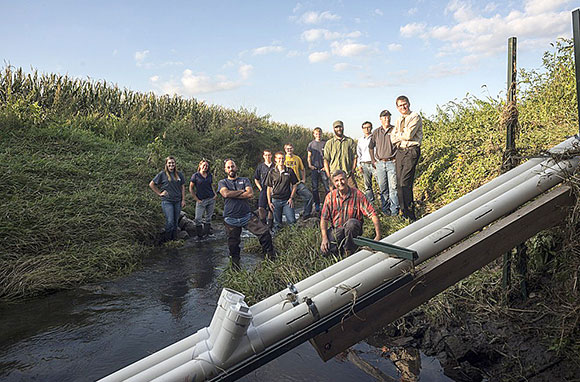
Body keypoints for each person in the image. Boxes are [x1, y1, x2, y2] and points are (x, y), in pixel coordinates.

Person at [218, 159, 275, 267]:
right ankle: (235, 267)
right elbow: (225, 194)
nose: (231, 169)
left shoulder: (244, 180)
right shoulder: (222, 182)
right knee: (233, 246)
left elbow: (250, 194)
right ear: (225, 170)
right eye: (228, 167)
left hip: (246, 216)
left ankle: (270, 259)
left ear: (236, 167)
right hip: (231, 219)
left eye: (232, 166)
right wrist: (241, 192)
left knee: (264, 233)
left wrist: (233, 194)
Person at [320, 170, 381, 256]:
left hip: (353, 230)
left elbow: (372, 214)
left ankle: (349, 250)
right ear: (333, 183)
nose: (340, 183)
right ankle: (338, 251)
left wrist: (378, 235)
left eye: (342, 179)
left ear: (347, 179)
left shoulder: (357, 194)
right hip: (337, 229)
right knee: (325, 252)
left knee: (351, 223)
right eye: (336, 181)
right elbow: (324, 218)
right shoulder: (330, 197)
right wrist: (324, 238)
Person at [392, 96, 423, 221]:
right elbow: (392, 138)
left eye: (404, 104)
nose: (403, 107)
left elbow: (409, 135)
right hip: (400, 151)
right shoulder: (399, 119)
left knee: (406, 182)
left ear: (409, 104)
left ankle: (411, 214)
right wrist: (400, 136)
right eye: (400, 105)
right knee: (399, 183)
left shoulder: (415, 116)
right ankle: (404, 212)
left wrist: (398, 135)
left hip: (411, 151)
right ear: (397, 107)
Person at [369, 110, 399, 216]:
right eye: (384, 117)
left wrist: (397, 159)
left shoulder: (395, 129)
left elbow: (400, 145)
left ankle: (395, 212)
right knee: (383, 188)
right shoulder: (376, 132)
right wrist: (373, 160)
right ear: (380, 119)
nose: (387, 119)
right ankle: (386, 211)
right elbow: (371, 147)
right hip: (380, 164)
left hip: (392, 163)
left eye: (388, 117)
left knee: (394, 188)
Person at [149, 156, 186, 242]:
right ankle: (168, 240)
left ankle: (174, 240)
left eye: (173, 163)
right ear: (166, 164)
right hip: (167, 201)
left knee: (175, 222)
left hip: (177, 201)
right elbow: (151, 184)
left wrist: (183, 199)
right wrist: (159, 193)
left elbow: (183, 187)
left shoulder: (179, 174)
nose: (171, 164)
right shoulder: (162, 174)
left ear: (175, 164)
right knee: (170, 221)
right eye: (169, 163)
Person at [266, 151, 298, 232]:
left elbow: (295, 185)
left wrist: (291, 198)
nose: (281, 160)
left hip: (287, 200)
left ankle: (294, 241)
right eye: (279, 158)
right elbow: (269, 188)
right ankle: (277, 241)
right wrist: (269, 202)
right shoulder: (272, 172)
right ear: (275, 160)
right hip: (275, 200)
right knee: (277, 223)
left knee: (292, 221)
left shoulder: (289, 171)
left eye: (283, 158)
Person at [323, 120, 357, 189]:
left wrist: (352, 170)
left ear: (343, 127)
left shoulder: (350, 141)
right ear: (334, 129)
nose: (339, 129)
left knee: (354, 192)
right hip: (334, 174)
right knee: (333, 195)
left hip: (347, 174)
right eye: (336, 127)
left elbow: (355, 157)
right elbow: (326, 160)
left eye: (340, 127)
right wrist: (329, 175)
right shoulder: (329, 143)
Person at [284, 143, 314, 218]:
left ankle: (306, 214)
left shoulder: (297, 158)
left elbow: (302, 169)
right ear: (285, 149)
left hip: (297, 183)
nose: (289, 150)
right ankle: (290, 219)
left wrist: (303, 179)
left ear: (293, 149)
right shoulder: (282, 158)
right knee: (290, 200)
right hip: (287, 184)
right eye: (287, 148)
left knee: (309, 196)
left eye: (291, 148)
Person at [189, 159, 216, 239]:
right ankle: (199, 236)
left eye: (207, 166)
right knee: (198, 219)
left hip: (211, 199)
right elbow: (191, 188)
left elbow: (211, 185)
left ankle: (207, 235)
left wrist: (215, 194)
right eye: (204, 165)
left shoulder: (209, 175)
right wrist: (196, 199)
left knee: (208, 218)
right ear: (200, 166)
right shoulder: (195, 176)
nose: (205, 167)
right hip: (201, 200)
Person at [307, 127, 329, 213]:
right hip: (314, 168)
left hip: (323, 168)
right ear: (314, 134)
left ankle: (328, 203)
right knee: (315, 188)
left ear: (321, 134)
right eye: (316, 134)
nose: (318, 135)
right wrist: (310, 165)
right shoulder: (311, 144)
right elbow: (309, 156)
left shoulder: (325, 143)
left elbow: (328, 156)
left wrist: (326, 167)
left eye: (319, 134)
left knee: (326, 187)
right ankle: (316, 204)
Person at [254, 149, 274, 228]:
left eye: (269, 155)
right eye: (266, 155)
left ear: (271, 156)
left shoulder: (275, 165)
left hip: (273, 189)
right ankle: (263, 225)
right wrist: (260, 188)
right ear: (263, 156)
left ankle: (270, 226)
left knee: (271, 208)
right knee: (261, 208)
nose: (267, 157)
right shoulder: (260, 167)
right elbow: (256, 178)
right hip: (264, 189)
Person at [357, 121, 376, 203]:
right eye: (364, 127)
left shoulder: (375, 137)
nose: (367, 129)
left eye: (368, 127)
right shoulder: (360, 140)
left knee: (381, 184)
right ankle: (371, 203)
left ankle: (384, 205)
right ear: (362, 129)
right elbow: (359, 152)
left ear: (371, 128)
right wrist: (359, 164)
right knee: (367, 186)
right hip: (364, 164)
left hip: (374, 163)